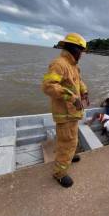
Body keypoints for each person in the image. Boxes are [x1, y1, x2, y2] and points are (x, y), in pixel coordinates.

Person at [42, 33, 89, 188]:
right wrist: (72, 97)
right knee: (66, 143)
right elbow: (48, 86)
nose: (82, 54)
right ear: (74, 48)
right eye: (81, 50)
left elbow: (78, 81)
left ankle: (69, 156)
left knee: (72, 139)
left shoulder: (73, 66)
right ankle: (59, 174)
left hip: (73, 113)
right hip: (65, 113)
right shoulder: (59, 64)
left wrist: (84, 92)